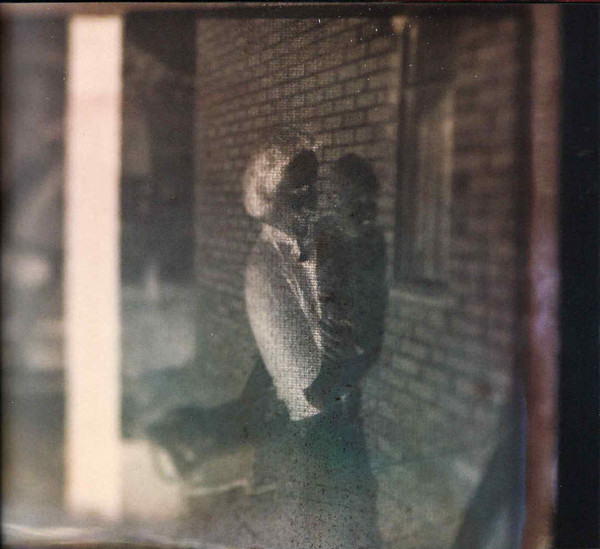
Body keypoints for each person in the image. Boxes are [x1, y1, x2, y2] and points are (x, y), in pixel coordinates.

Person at [244, 144, 383, 549]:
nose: (310, 198)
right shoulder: (267, 265)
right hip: (312, 417)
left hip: (336, 403)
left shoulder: (312, 246)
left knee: (357, 510)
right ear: (269, 196)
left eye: (312, 187)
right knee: (323, 517)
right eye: (297, 188)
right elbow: (305, 374)